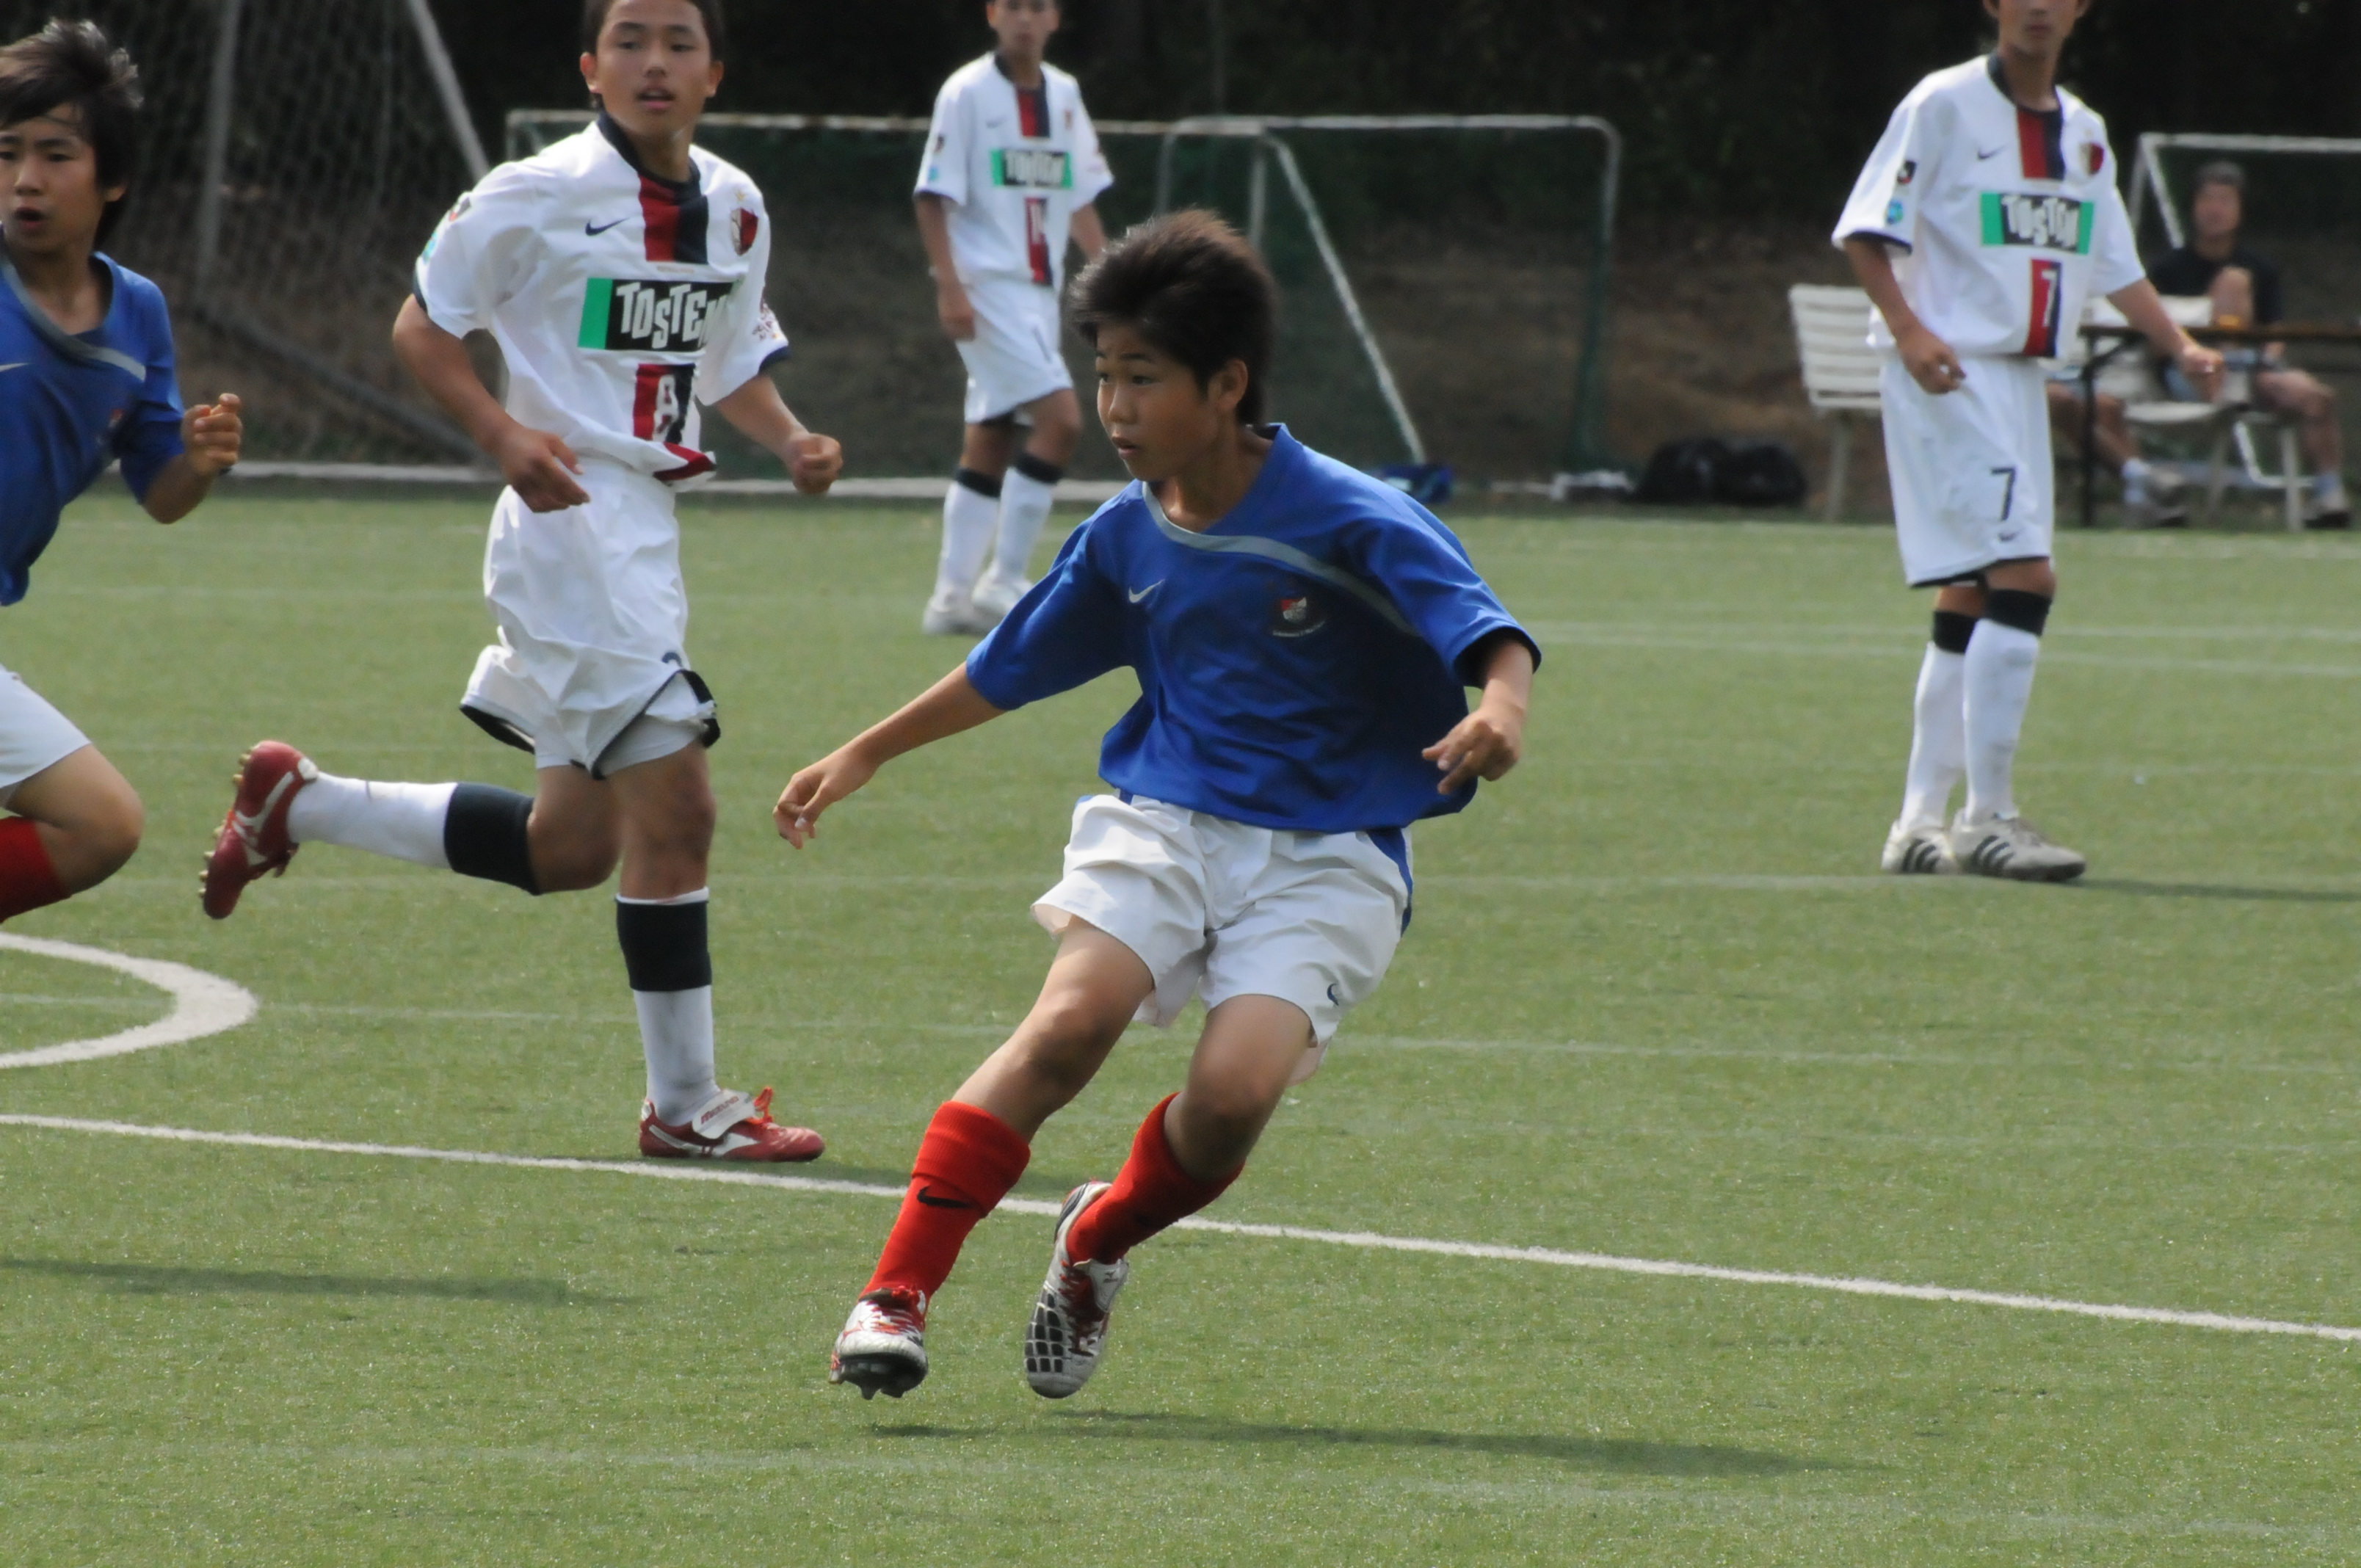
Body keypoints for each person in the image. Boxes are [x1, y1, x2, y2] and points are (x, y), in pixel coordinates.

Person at [779, 212, 1539, 1401]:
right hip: (1166, 818)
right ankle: (894, 1295)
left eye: (1142, 378)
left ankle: (1096, 1241)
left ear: (1226, 384)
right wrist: (866, 751)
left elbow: (1485, 630)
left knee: (1231, 1101)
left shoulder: (1351, 516)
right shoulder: (1124, 535)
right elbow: (1010, 663)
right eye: (1102, 377)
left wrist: (1501, 710)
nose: (1115, 408)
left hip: (1331, 853)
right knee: (1069, 1025)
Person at [202, 0, 841, 1164]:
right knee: (683, 811)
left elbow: (727, 358)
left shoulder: (737, 206)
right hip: (567, 528)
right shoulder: (532, 192)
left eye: (679, 42)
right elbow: (422, 326)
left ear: (715, 74)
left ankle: (302, 801)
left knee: (571, 849)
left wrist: (791, 436)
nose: (655, 61)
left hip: (644, 532)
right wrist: (503, 437)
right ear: (591, 67)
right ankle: (688, 1107)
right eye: (631, 39)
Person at [1838, 0, 2222, 882]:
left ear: (2081, 8)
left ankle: (1916, 826)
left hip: (2019, 381)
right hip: (1951, 371)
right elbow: (1865, 230)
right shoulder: (1940, 105)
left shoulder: (2084, 134)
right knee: (2026, 573)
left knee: (1972, 592)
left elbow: (2115, 264)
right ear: (1994, 4)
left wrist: (2181, 345)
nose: (2039, 5)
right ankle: (1990, 818)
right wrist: (1908, 332)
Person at [0, 21, 243, 930]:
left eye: (54, 154)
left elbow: (161, 492)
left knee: (98, 825)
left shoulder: (135, 312)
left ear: (111, 178)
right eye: (7, 152)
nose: (25, 178)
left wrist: (200, 459)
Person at [913, 0, 1111, 636]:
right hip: (987, 289)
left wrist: (1111, 273)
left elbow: (1077, 195)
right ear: (992, 14)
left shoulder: (1066, 94)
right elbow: (933, 194)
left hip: (1038, 293)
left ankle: (950, 599)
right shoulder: (967, 92)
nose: (1025, 18)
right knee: (1062, 421)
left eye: (1038, 7)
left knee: (995, 431)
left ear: (1055, 19)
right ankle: (1003, 579)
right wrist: (950, 286)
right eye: (1013, 6)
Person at [2148, 161, 2349, 530]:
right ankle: (2235, 372)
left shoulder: (2261, 266)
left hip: (2250, 373)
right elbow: (2154, 339)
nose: (2215, 209)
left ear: (2240, 211)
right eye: (2208, 199)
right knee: (2234, 283)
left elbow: (2274, 335)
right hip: (2191, 372)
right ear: (2193, 207)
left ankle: (2329, 495)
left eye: (2225, 200)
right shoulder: (2166, 269)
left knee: (2315, 396)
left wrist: (2264, 364)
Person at [2042, 373, 2186, 528]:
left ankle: (2141, 494)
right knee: (2061, 400)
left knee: (2107, 406)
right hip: (2036, 383)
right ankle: (2143, 480)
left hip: (2082, 382)